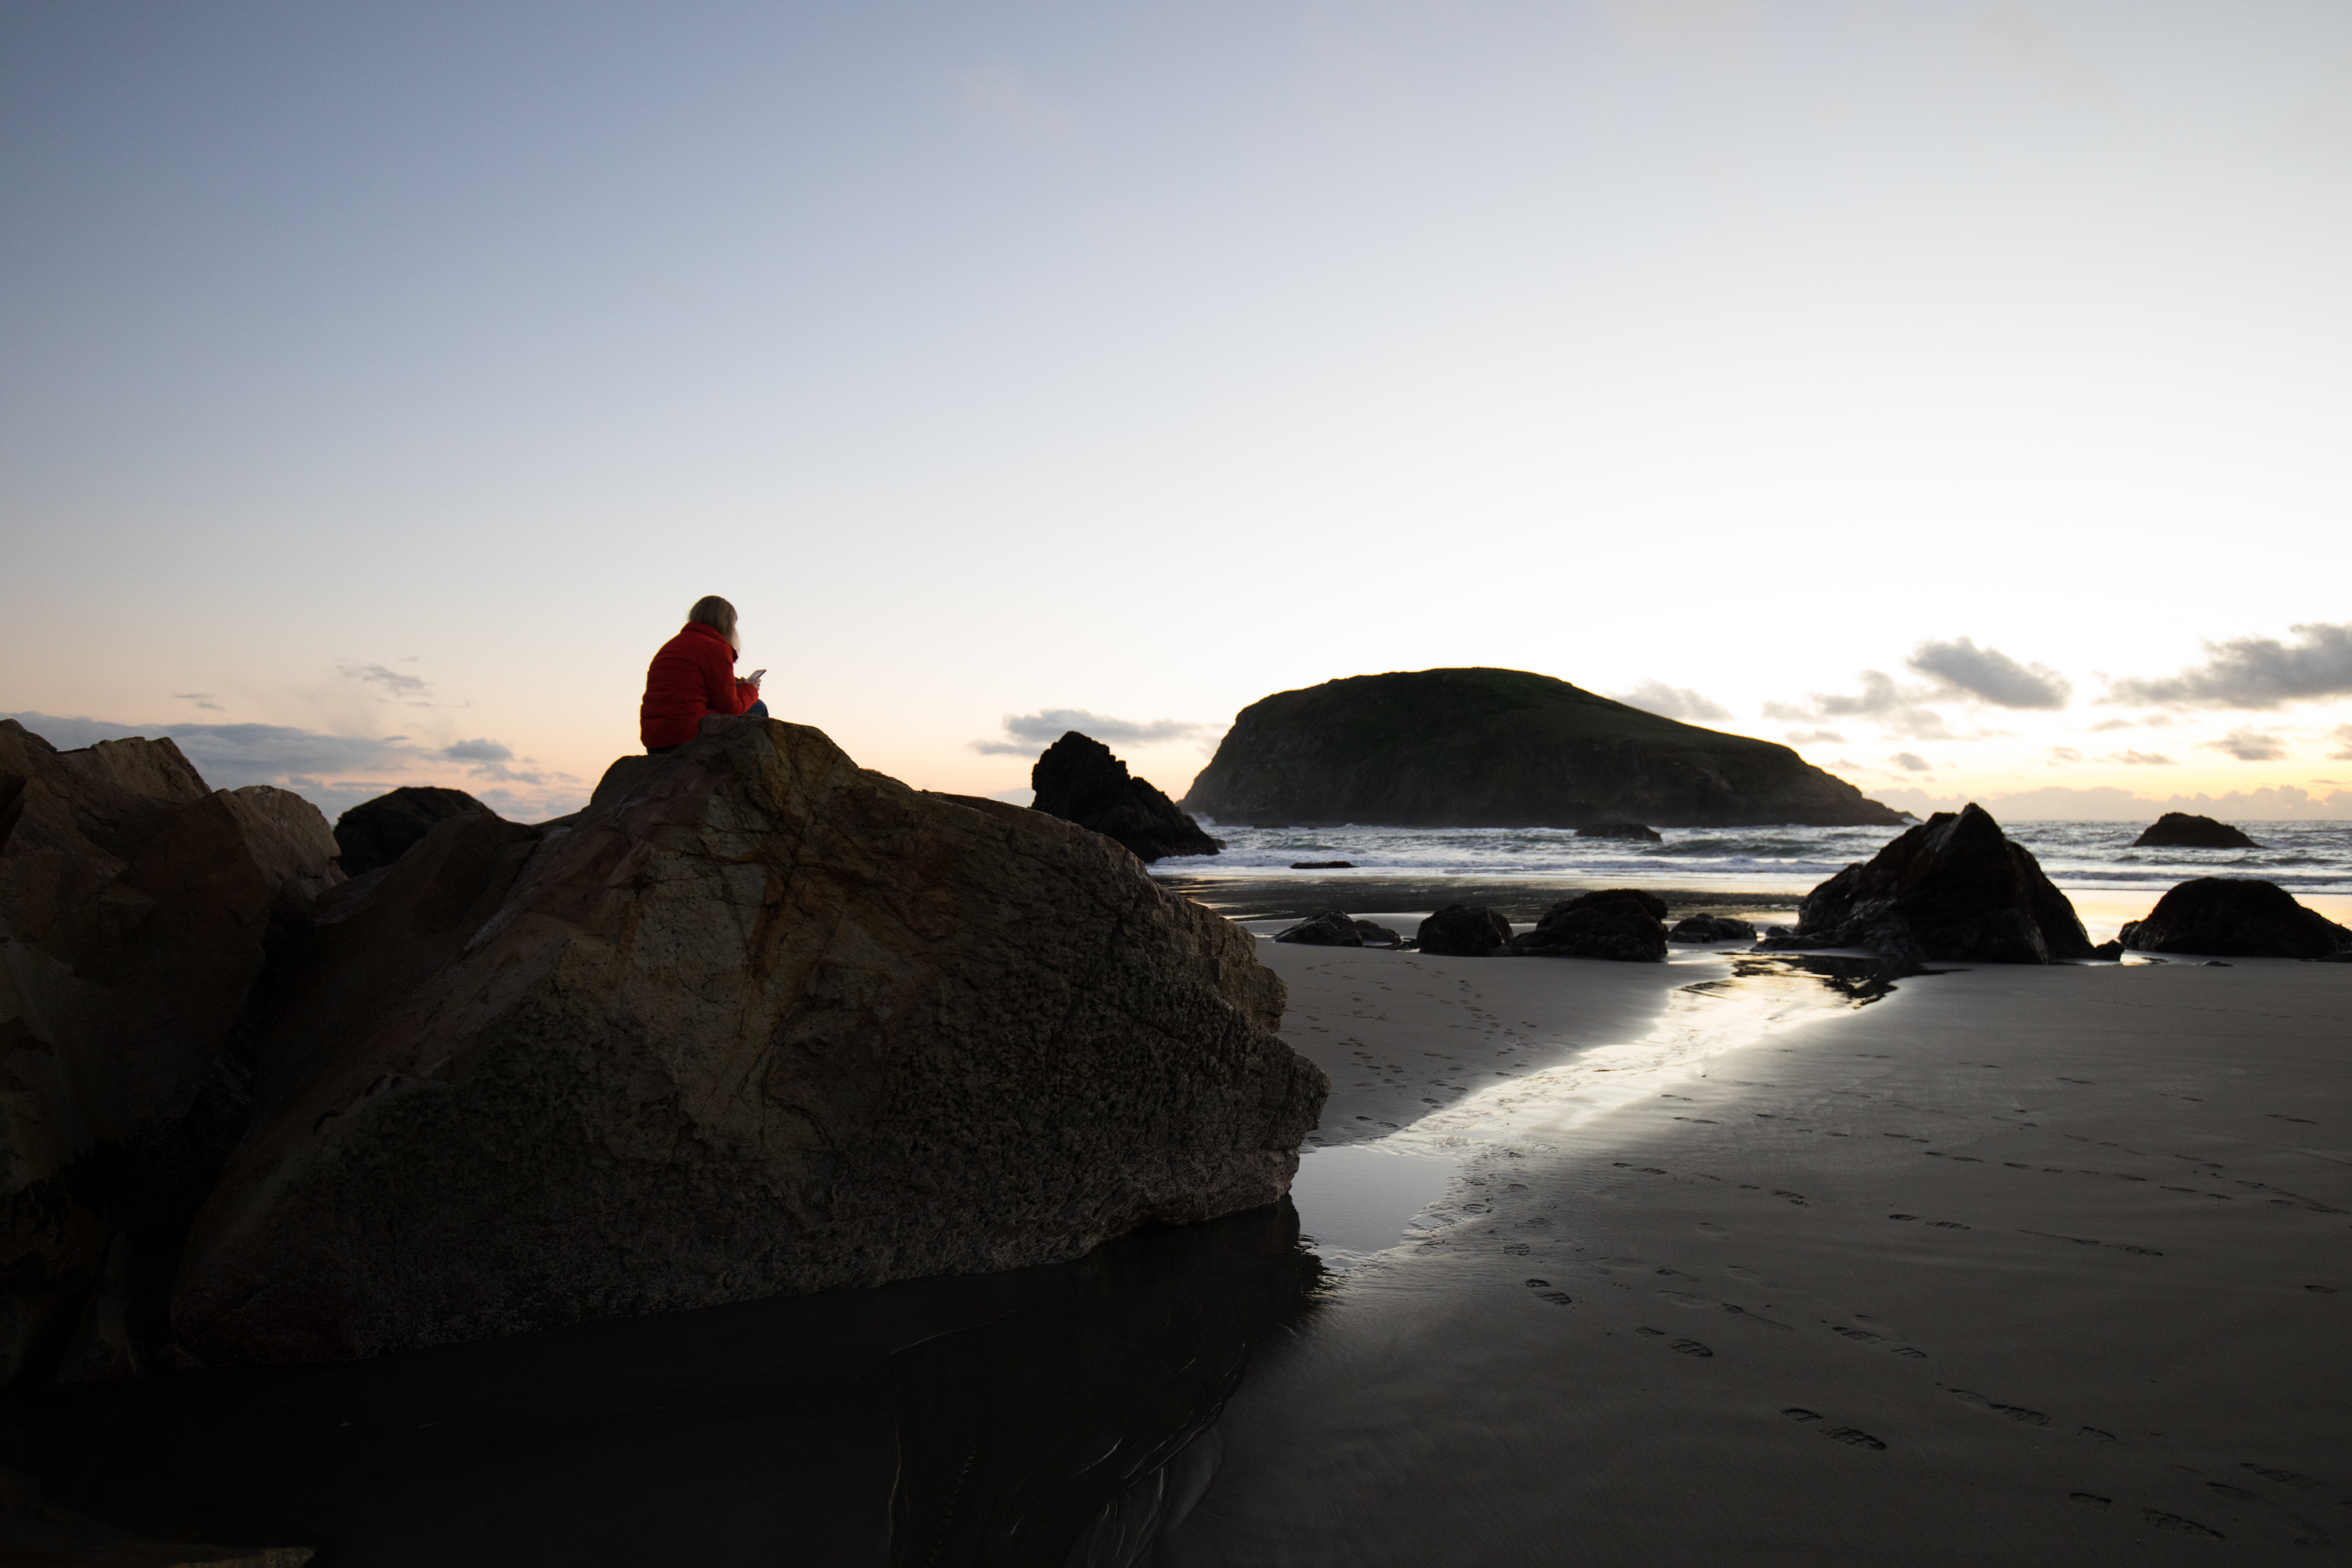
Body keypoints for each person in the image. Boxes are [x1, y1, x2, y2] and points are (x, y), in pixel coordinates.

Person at [639, 595, 768, 754]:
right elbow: (731, 709)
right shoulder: (716, 648)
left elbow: (688, 689)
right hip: (686, 736)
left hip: (655, 742)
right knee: (758, 707)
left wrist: (733, 686)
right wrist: (750, 688)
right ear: (727, 624)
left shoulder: (672, 644)